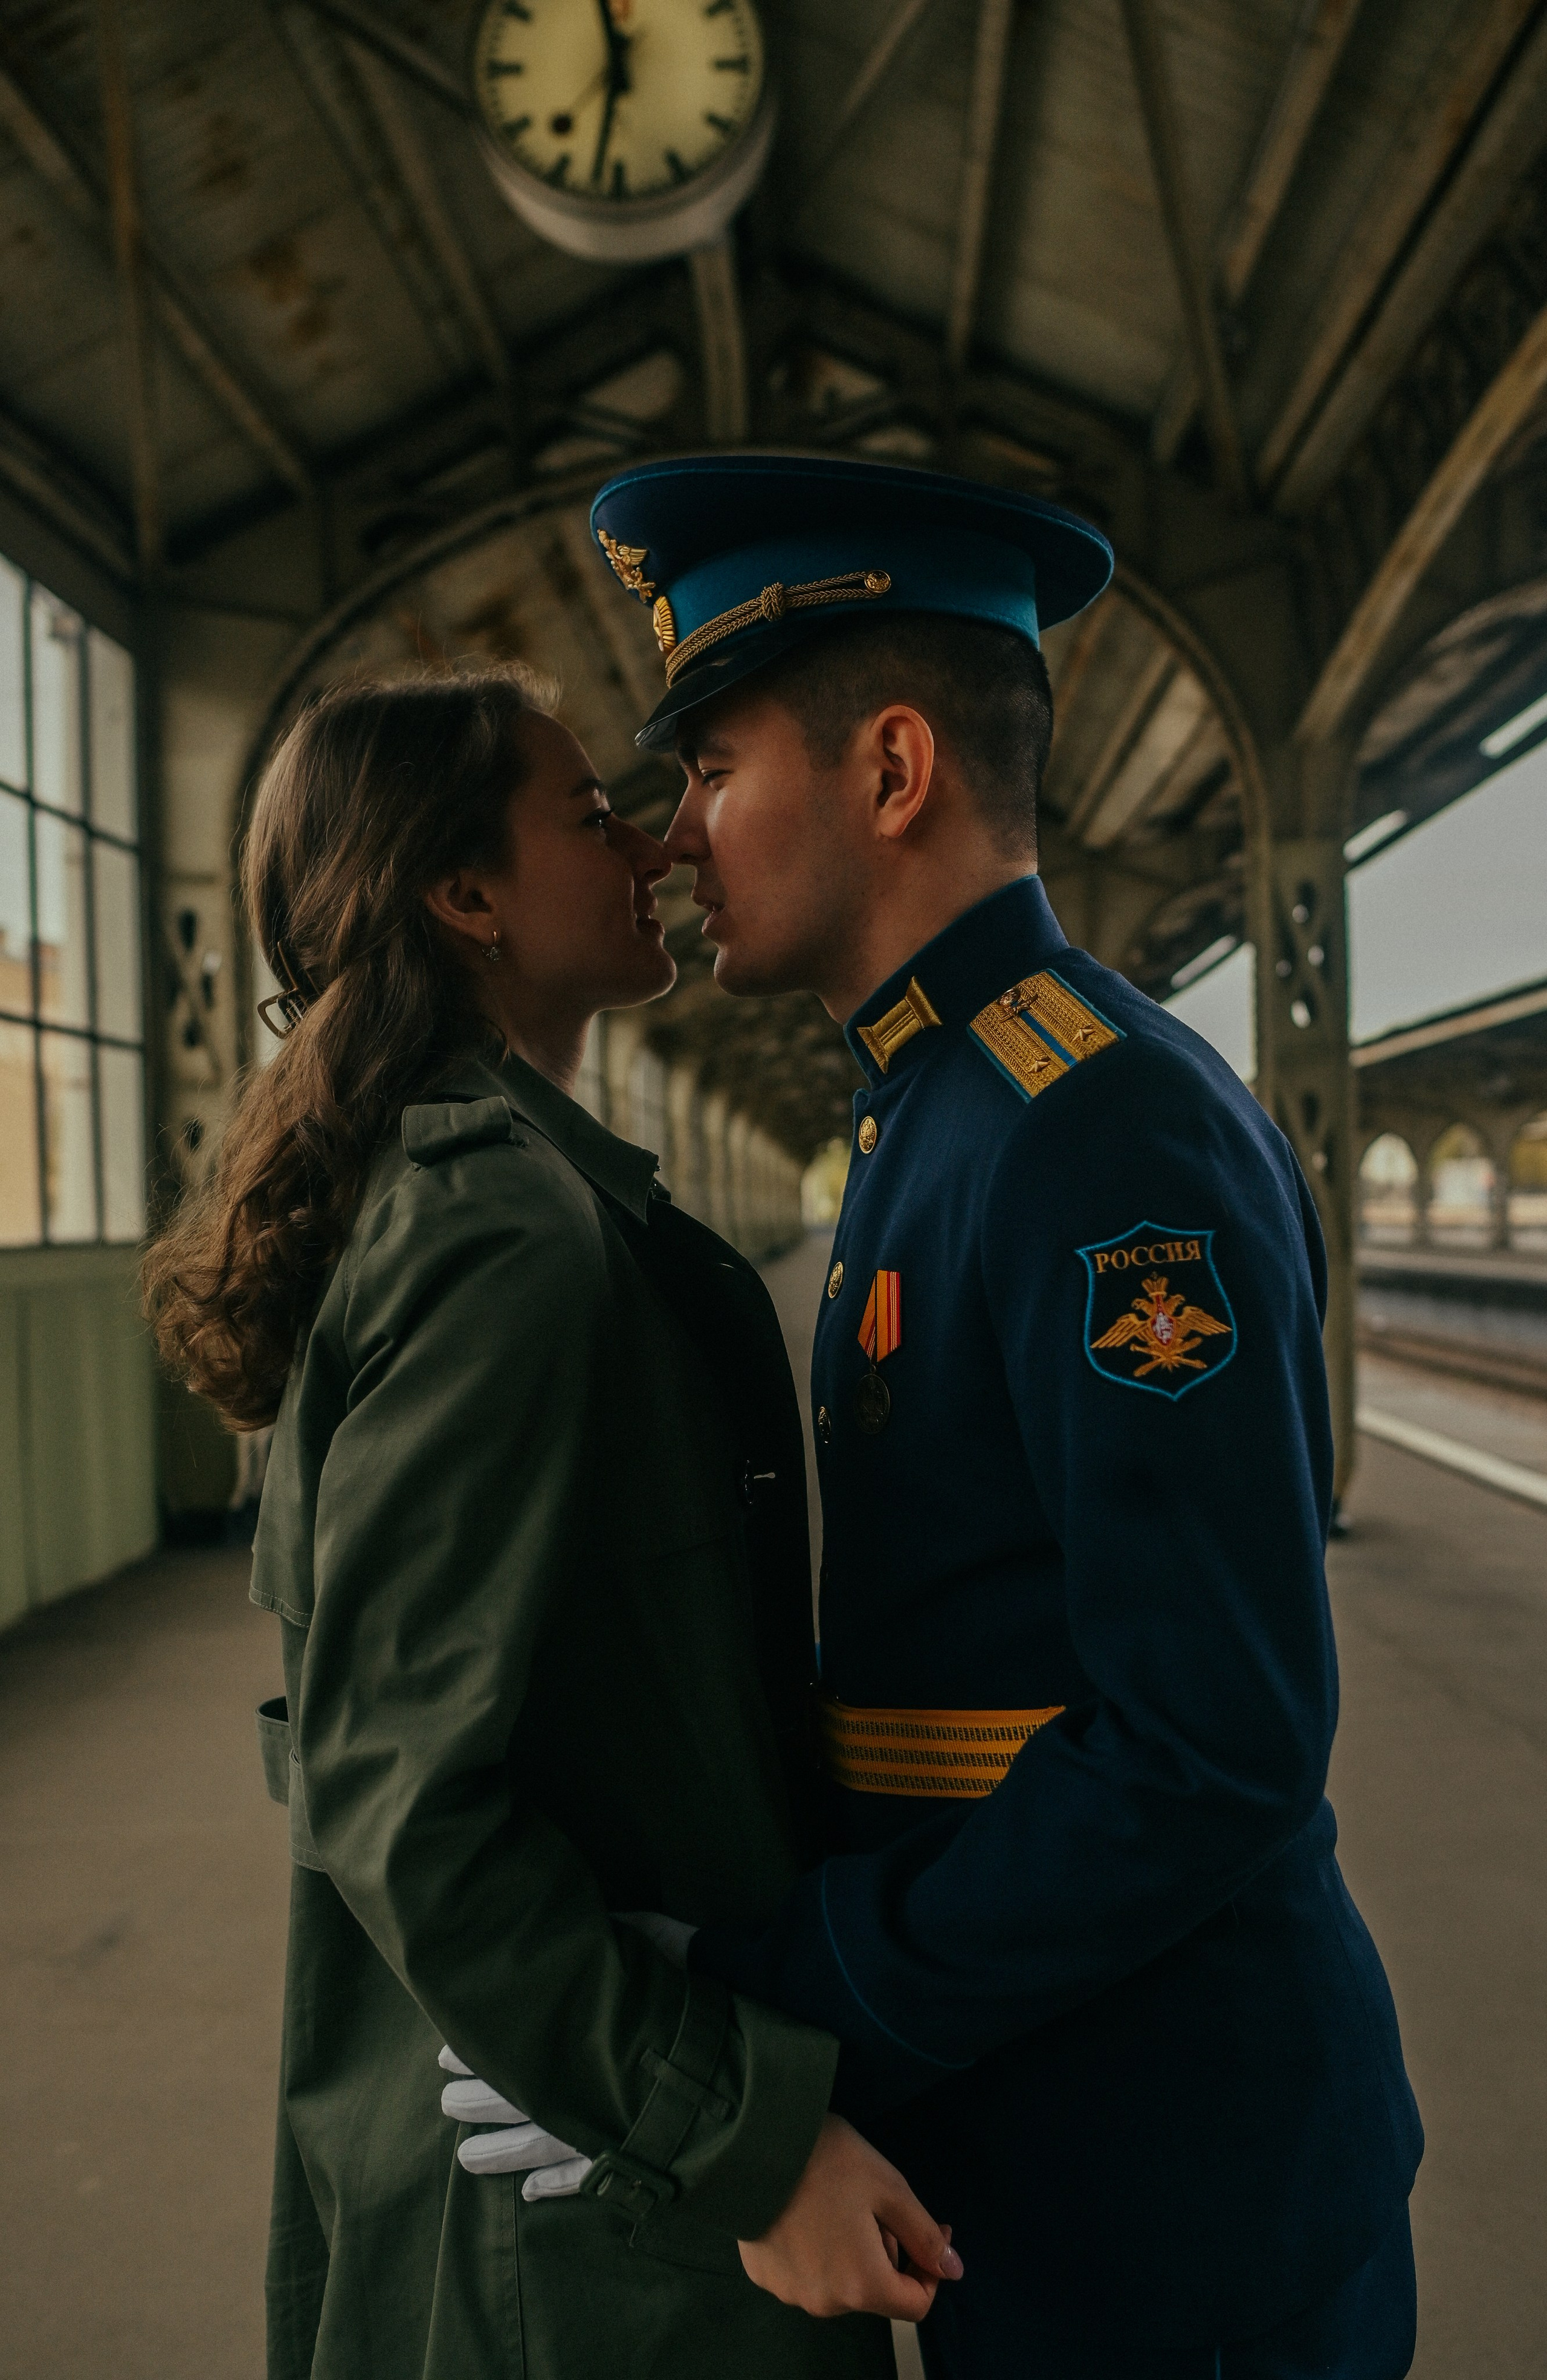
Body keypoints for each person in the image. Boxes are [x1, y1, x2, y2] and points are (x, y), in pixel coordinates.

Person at [581, 458, 1425, 2376]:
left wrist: (795, 1996)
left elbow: (1210, 1742)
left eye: (712, 770)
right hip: (1047, 2156)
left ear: (890, 772)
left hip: (1175, 2199)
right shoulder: (944, 1110)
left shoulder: (1094, 1130)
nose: (677, 837)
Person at [143, 667, 961, 2380]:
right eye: (590, 813)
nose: (658, 840)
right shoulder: (504, 1234)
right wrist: (739, 2129)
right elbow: (408, 1800)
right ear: (467, 897)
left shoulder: (501, 1197)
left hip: (561, 2157)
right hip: (586, 2238)